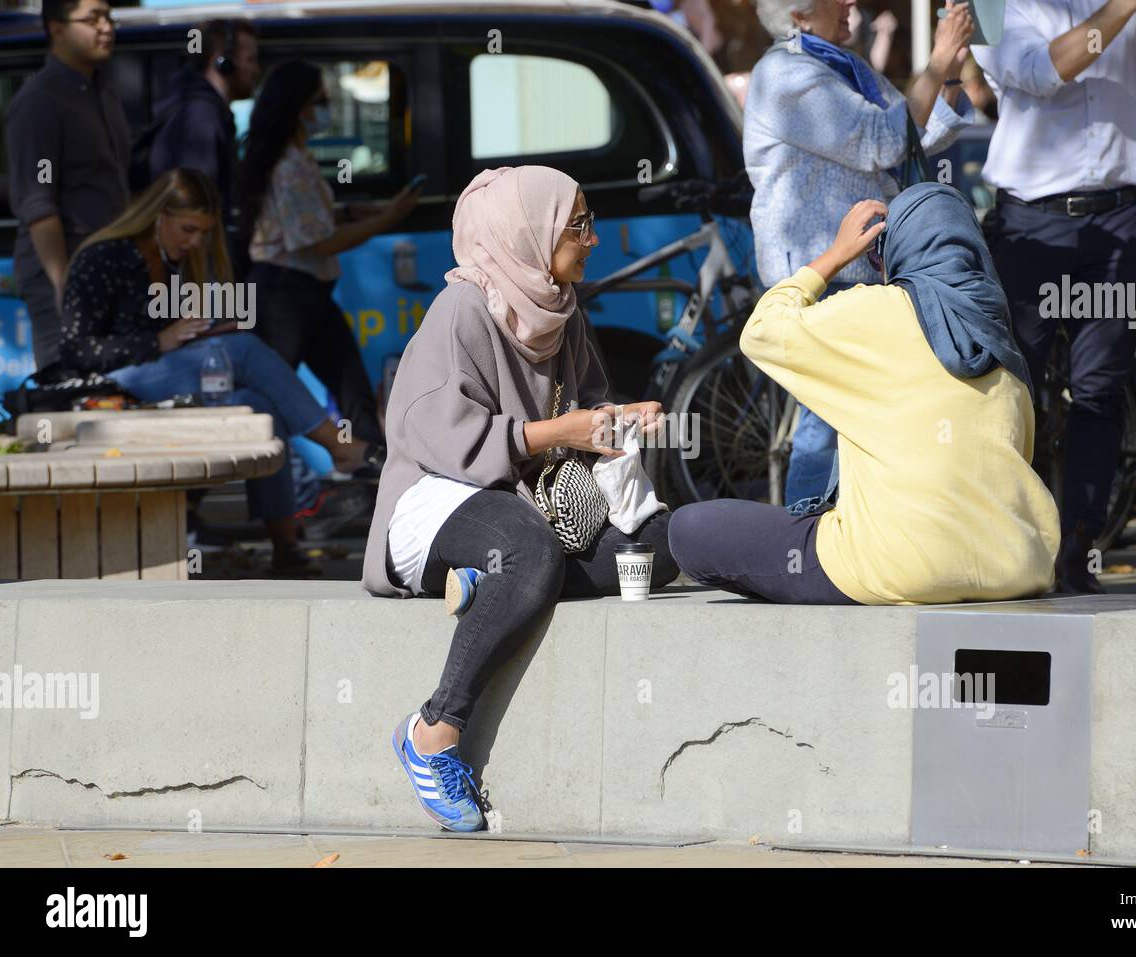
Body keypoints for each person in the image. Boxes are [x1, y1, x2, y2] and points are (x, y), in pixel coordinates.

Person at [363, 166, 679, 832]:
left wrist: (614, 419)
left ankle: (491, 586)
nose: (594, 238)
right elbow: (433, 434)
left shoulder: (562, 306)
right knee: (528, 547)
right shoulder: (463, 308)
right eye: (579, 224)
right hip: (433, 498)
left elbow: (584, 403)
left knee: (650, 553)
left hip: (516, 500)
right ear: (529, 232)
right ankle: (433, 730)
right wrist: (557, 433)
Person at [668, 185, 1060, 605]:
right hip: (1019, 566)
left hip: (898, 567)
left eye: (880, 254)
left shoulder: (875, 309)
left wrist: (835, 256)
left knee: (689, 529)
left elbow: (761, 332)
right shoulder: (1003, 344)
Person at [972, 0, 1136, 592]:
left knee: (1099, 391)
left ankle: (1078, 548)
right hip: (1034, 229)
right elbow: (1047, 71)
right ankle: (1008, 542)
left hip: (1119, 222)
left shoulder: (1133, 12)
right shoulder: (998, 7)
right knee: (1014, 391)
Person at [57, 168, 378, 573]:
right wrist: (159, 342)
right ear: (158, 215)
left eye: (204, 233)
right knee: (241, 350)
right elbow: (75, 349)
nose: (195, 242)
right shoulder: (103, 257)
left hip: (157, 379)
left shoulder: (174, 264)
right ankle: (339, 445)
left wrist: (194, 337)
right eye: (188, 229)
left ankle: (285, 547)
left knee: (257, 407)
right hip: (107, 388)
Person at [744, 0, 974, 509]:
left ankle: (841, 534)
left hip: (861, 266)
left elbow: (918, 133)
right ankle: (804, 543)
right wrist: (934, 60)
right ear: (800, 15)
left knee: (851, 411)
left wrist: (950, 73)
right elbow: (883, 139)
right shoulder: (785, 74)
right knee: (825, 415)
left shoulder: (842, 66)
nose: (851, 3)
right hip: (818, 268)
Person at [239, 59, 420, 459]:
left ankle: (369, 470)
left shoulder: (296, 160)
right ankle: (241, 491)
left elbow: (311, 223)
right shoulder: (289, 166)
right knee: (269, 393)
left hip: (306, 292)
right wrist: (387, 219)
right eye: (320, 101)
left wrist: (359, 212)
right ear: (299, 107)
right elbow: (316, 241)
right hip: (285, 294)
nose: (327, 110)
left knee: (349, 385)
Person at [5, 0, 130, 373]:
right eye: (92, 19)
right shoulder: (40, 102)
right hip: (65, 270)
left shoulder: (102, 91)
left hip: (108, 266)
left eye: (109, 17)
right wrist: (62, 281)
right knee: (70, 390)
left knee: (115, 388)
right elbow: (39, 199)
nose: (105, 27)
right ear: (56, 28)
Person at [142, 18, 261, 244]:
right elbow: (195, 205)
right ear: (223, 63)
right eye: (251, 60)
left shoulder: (204, 112)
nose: (256, 70)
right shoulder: (200, 117)